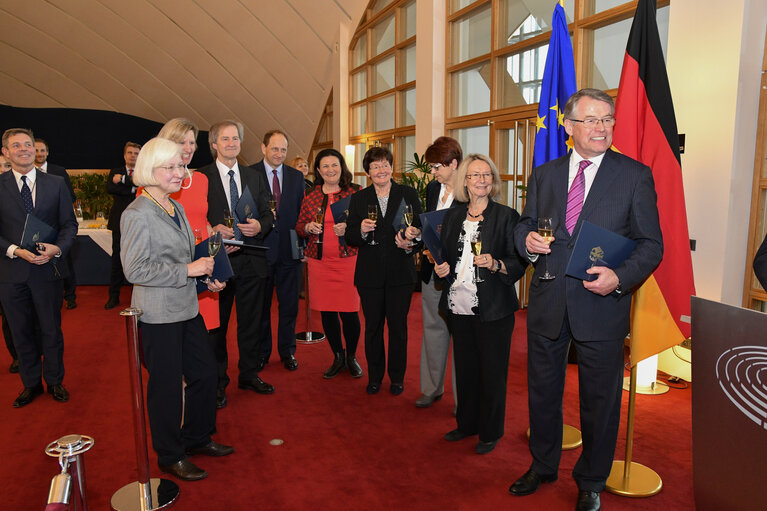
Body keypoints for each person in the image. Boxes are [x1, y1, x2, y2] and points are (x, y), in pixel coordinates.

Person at [510, 88, 663, 511]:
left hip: (601, 306)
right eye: (592, 120)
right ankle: (542, 465)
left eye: (608, 119)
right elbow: (523, 224)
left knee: (600, 400)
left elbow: (652, 245)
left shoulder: (634, 175)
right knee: (542, 393)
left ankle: (591, 480)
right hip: (548, 301)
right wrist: (527, 240)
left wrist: (619, 278)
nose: (602, 127)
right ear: (569, 126)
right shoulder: (546, 174)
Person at [121, 137, 232, 482]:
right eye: (169, 167)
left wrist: (206, 279)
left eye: (180, 165)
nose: (178, 172)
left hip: (186, 307)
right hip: (157, 316)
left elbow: (188, 257)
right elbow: (135, 270)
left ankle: (197, 438)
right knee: (167, 387)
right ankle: (170, 455)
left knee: (205, 374)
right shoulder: (137, 212)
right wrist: (189, 270)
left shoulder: (175, 206)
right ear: (148, 171)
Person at [432, 154, 527, 455]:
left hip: (494, 309)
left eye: (487, 175)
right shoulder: (454, 215)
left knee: (492, 372)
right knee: (467, 369)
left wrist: (497, 263)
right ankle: (467, 423)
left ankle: (490, 431)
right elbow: (445, 256)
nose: (481, 180)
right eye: (475, 175)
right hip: (458, 305)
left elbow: (520, 261)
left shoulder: (507, 216)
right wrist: (440, 268)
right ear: (466, 181)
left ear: (493, 180)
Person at [198, 120, 275, 404]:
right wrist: (212, 230)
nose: (232, 143)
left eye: (236, 139)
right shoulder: (200, 177)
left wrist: (260, 225)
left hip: (252, 259)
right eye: (226, 139)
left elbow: (268, 212)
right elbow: (194, 219)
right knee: (216, 327)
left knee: (252, 322)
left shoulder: (254, 176)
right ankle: (218, 382)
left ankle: (249, 374)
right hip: (218, 263)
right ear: (214, 144)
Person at [0, 128, 77, 407]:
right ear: (6, 153)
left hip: (47, 270)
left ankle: (55, 380)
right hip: (11, 271)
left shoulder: (55, 183)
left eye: (28, 144)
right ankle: (31, 384)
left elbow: (70, 224)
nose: (24, 149)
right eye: (16, 145)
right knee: (20, 331)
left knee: (51, 329)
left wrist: (59, 248)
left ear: (35, 149)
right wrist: (15, 250)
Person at [345, 147, 422, 395]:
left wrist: (412, 240)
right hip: (370, 274)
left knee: (398, 328)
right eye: (375, 166)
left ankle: (397, 377)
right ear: (368, 172)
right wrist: (363, 232)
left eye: (385, 164)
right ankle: (375, 376)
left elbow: (420, 229)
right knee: (373, 327)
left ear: (392, 167)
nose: (381, 170)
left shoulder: (407, 193)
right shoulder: (359, 198)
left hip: (401, 272)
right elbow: (350, 236)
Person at [296, 148, 362, 378]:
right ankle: (338, 356)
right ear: (318, 170)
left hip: (348, 261)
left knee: (350, 312)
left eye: (334, 165)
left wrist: (350, 227)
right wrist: (307, 228)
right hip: (319, 262)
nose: (330, 170)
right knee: (327, 312)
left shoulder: (355, 193)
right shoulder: (311, 195)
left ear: (341, 167)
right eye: (325, 166)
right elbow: (299, 225)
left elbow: (367, 223)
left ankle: (352, 356)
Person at [252, 130, 304, 372]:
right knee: (261, 307)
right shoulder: (250, 174)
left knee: (290, 305)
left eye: (283, 150)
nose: (279, 154)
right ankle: (262, 352)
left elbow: (301, 213)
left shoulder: (296, 177)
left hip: (289, 251)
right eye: (274, 149)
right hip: (260, 251)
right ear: (263, 148)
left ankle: (287, 351)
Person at [416, 136, 462, 409]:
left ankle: (461, 399)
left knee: (461, 335)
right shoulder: (434, 189)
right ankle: (432, 388)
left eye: (437, 167)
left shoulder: (470, 192)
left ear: (454, 163)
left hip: (459, 276)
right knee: (433, 329)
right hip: (432, 273)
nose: (433, 173)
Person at [34, 139, 78, 309]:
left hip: (56, 228)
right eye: (36, 150)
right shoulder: (25, 175)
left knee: (64, 260)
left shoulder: (58, 172)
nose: (39, 153)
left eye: (42, 150)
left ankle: (70, 295)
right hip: (33, 228)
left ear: (47, 152)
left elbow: (71, 197)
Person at [105, 142, 141, 309]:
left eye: (136, 153)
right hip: (119, 222)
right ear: (124, 155)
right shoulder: (115, 171)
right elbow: (111, 189)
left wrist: (124, 182)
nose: (133, 155)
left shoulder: (143, 172)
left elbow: (144, 187)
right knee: (117, 260)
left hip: (140, 223)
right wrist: (134, 188)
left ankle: (137, 298)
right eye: (130, 153)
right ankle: (114, 296)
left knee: (140, 258)